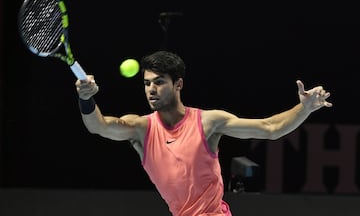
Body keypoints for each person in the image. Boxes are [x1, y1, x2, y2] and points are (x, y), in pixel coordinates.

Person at [75, 50, 332, 216]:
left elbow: (270, 128)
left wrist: (304, 108)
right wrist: (86, 100)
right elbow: (99, 126)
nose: (151, 89)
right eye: (146, 83)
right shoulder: (141, 128)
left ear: (178, 84)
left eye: (159, 82)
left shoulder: (208, 122)